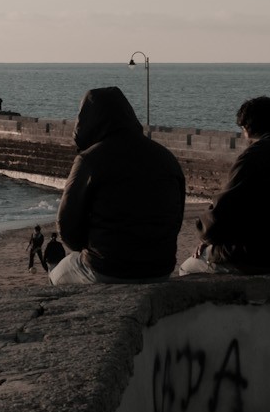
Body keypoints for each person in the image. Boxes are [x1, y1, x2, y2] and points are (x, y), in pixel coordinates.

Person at [48, 87, 186, 285]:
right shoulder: (166, 157)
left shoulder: (89, 160)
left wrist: (89, 247)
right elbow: (177, 217)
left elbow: (66, 225)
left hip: (108, 268)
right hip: (160, 269)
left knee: (56, 275)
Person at [178, 96, 270, 275]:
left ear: (246, 128)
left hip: (268, 257)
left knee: (187, 268)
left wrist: (208, 236)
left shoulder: (254, 156)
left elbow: (223, 212)